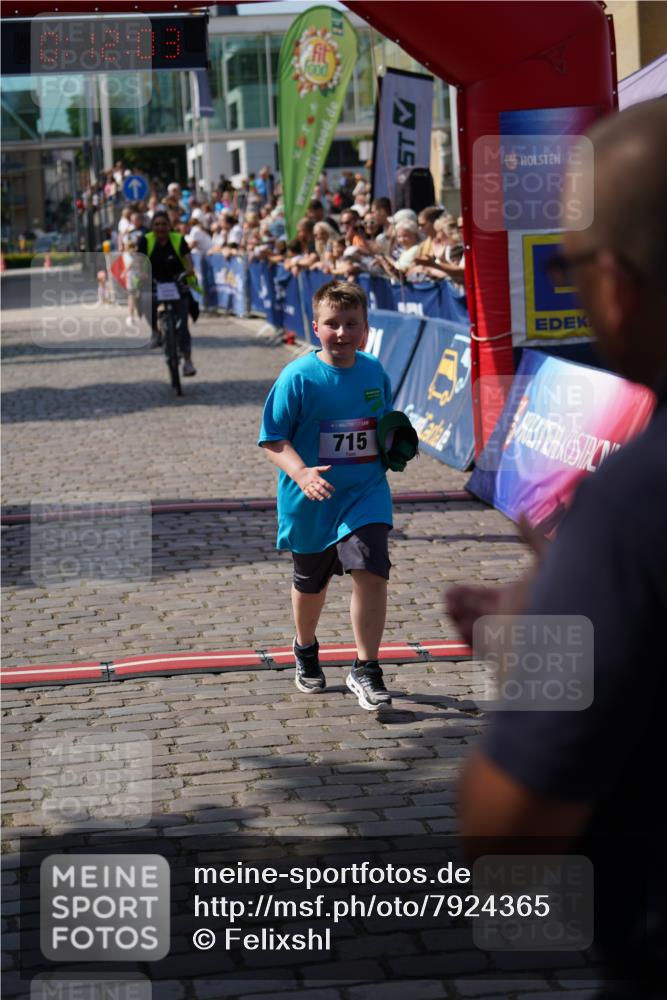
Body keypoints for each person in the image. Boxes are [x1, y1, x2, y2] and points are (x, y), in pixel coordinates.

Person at [448, 99, 667, 999]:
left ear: (612, 282)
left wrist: (542, 638)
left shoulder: (634, 502)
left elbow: (504, 835)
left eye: (566, 268)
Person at [258, 281, 398, 711]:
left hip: (365, 493)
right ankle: (305, 646)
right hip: (311, 499)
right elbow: (272, 438)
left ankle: (366, 667)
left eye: (351, 324)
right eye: (332, 324)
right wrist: (301, 473)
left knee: (372, 569)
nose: (342, 333)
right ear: (315, 327)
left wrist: (396, 441)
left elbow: (384, 422)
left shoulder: (373, 371)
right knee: (310, 583)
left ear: (365, 329)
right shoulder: (297, 377)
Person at [136, 211, 198, 375]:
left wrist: (189, 270)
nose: (160, 228)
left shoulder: (178, 239)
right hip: (154, 283)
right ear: (152, 227)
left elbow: (188, 261)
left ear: (169, 226)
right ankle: (155, 331)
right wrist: (142, 274)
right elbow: (139, 262)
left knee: (183, 325)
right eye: (157, 224)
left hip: (177, 283)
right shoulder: (145, 240)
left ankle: (188, 361)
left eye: (164, 224)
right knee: (146, 300)